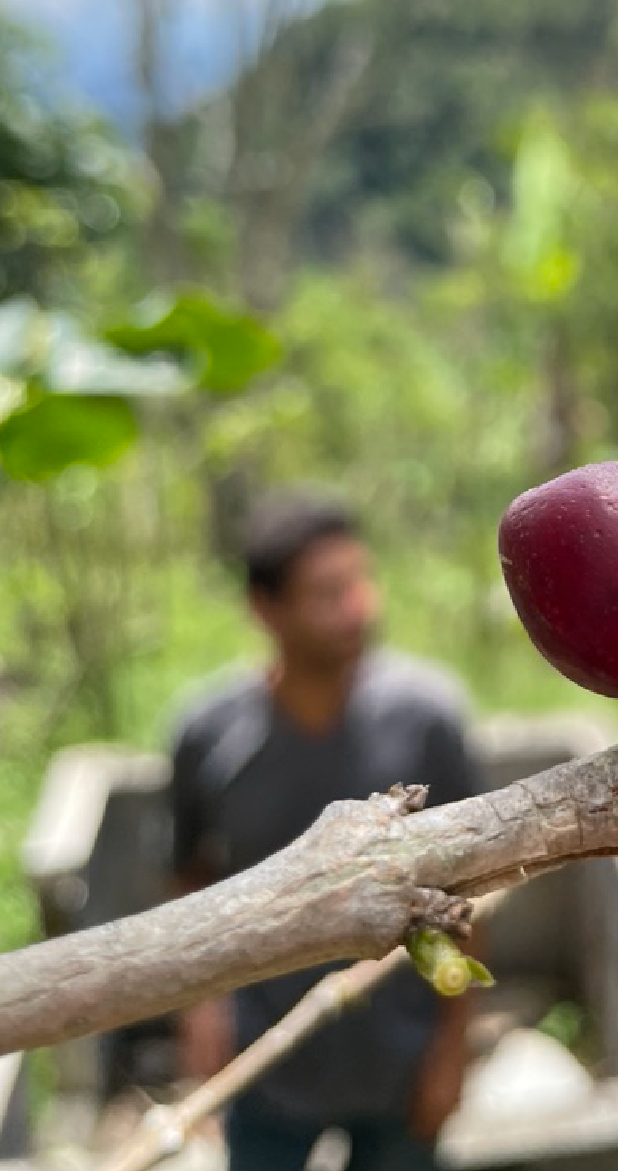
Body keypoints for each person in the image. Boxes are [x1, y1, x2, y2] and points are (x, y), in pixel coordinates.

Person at [167, 491, 486, 1171]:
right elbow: (189, 872)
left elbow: (469, 887)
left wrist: (452, 1050)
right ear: (266, 609)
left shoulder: (427, 720)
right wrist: (201, 1011)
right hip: (266, 1062)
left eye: (360, 581)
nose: (359, 607)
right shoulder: (210, 737)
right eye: (328, 592)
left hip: (399, 1060)